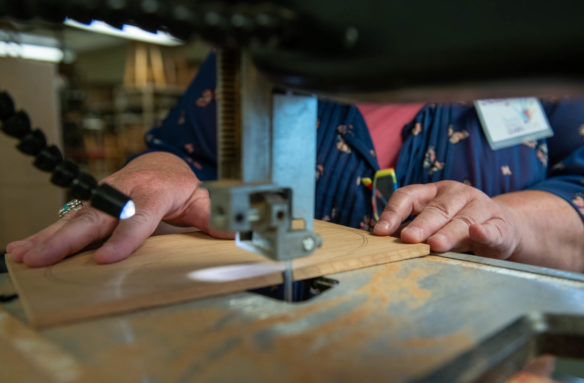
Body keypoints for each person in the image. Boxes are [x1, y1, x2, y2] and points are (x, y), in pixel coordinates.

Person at [7, 52, 584, 271]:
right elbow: (204, 186)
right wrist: (158, 171)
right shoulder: (254, 62)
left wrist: (505, 222)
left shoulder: (540, 63)